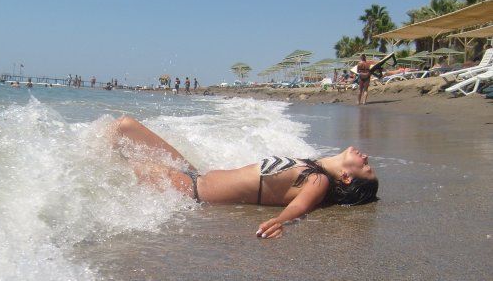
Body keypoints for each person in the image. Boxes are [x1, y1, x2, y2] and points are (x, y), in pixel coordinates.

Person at [110, 116, 379, 239]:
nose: (366, 157)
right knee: (124, 126)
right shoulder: (311, 167)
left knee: (112, 162)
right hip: (193, 174)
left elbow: (300, 205)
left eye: (366, 167)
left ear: (346, 178)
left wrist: (279, 222)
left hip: (190, 190)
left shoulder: (318, 181)